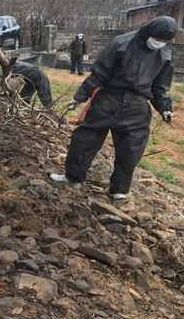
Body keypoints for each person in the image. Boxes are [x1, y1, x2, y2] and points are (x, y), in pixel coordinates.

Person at [51, 16, 177, 200]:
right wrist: (79, 96)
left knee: (131, 149)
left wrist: (165, 108)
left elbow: (159, 87)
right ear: (149, 32)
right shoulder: (121, 44)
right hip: (108, 100)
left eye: (164, 41)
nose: (159, 43)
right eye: (158, 39)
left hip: (137, 107)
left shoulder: (165, 55)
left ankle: (119, 190)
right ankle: (73, 178)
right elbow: (99, 74)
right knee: (84, 140)